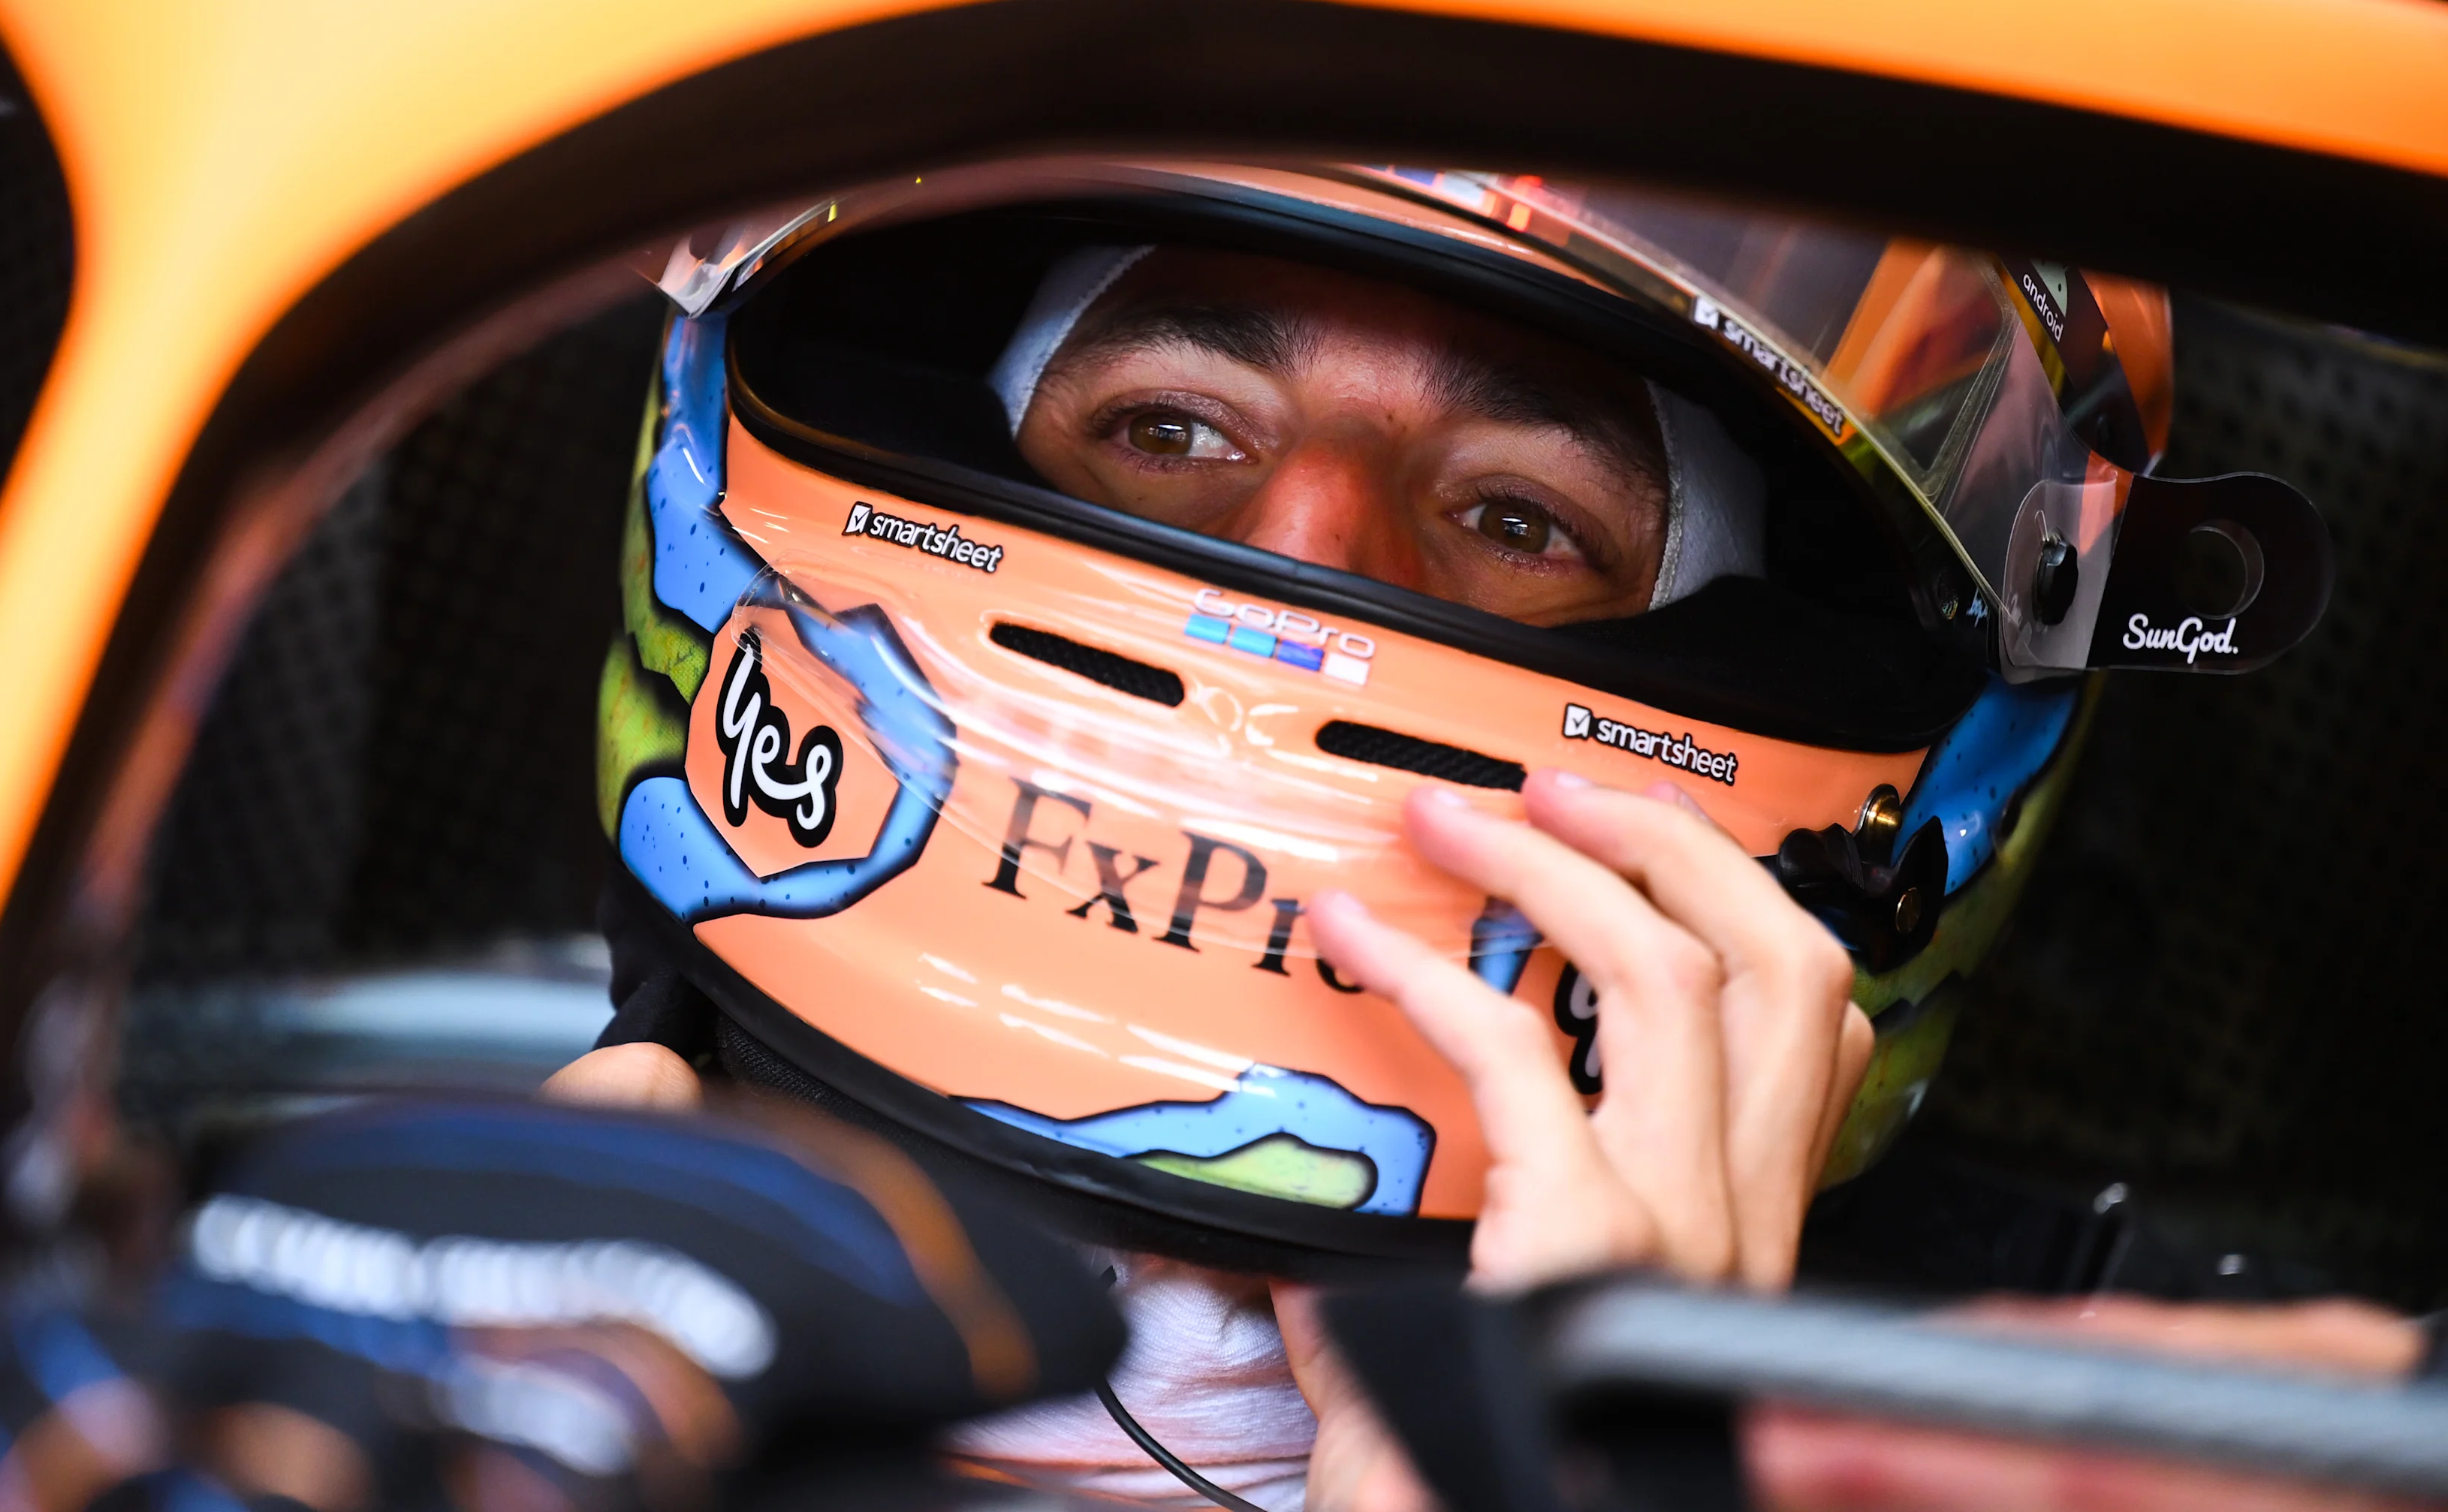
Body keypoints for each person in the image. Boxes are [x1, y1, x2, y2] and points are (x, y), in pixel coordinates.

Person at [553, 156, 2332, 1510]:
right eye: (1169, 423)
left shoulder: (2152, 1442)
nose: (1307, 557)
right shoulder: (460, 1272)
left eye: (1517, 516)